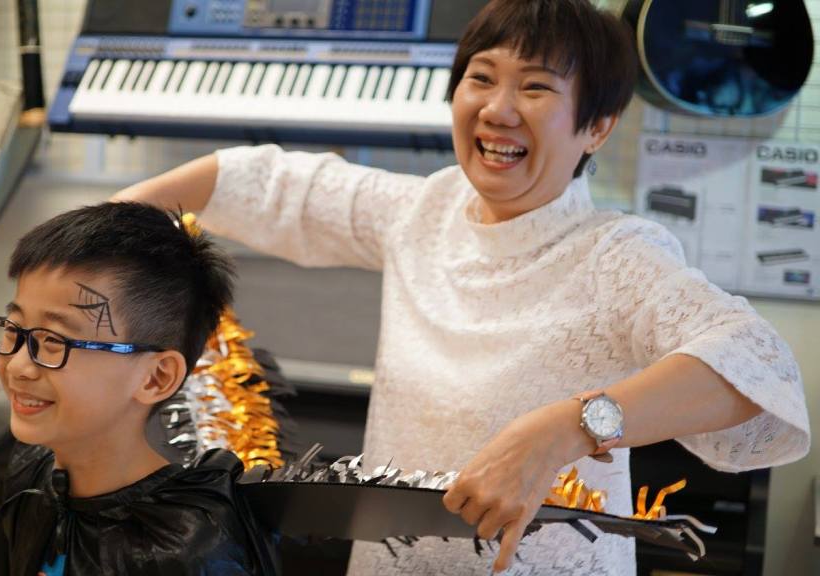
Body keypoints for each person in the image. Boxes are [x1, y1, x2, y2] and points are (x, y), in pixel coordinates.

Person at [111, 1, 811, 574]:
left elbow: (760, 368)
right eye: (481, 77)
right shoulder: (424, 211)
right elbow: (257, 182)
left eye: (535, 87)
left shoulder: (616, 253)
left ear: (597, 127)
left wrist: (564, 429)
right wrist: (100, 235)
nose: (498, 109)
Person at [0, 202, 277, 575]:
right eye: (14, 330)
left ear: (156, 377)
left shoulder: (185, 549)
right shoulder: (30, 469)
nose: (18, 365)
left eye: (55, 341)